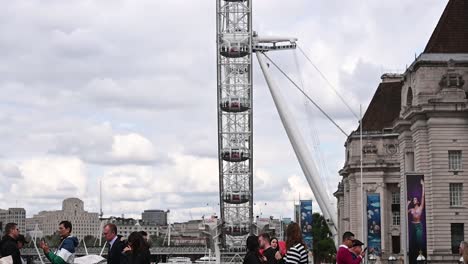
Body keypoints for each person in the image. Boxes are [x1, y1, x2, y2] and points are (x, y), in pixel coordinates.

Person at [408, 179, 425, 258]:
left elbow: (423, 196)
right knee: (412, 243)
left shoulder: (420, 207)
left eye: (415, 199)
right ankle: (413, 256)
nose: (414, 200)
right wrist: (407, 204)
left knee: (419, 242)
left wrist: (423, 185)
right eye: (413, 199)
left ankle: (420, 255)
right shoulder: (411, 209)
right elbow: (404, 213)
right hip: (412, 226)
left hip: (418, 226)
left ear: (417, 201)